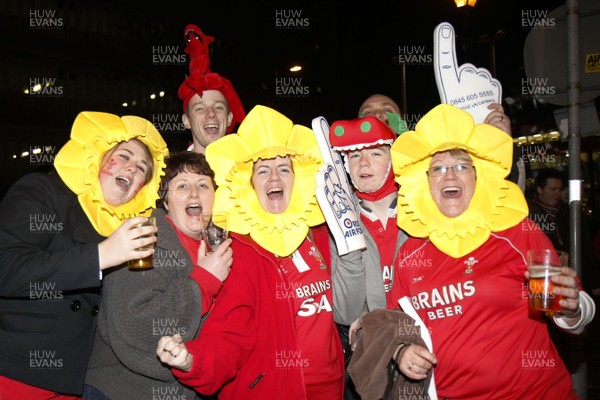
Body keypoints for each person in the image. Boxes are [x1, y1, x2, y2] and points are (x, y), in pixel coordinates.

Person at [155, 105, 365, 399]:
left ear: (297, 178)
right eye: (263, 170)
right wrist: (193, 361)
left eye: (283, 169)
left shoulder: (318, 234)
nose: (274, 179)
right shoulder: (238, 249)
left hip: (331, 389)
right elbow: (229, 334)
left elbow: (344, 307)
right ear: (250, 183)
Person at [387, 103, 595, 399]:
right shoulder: (409, 253)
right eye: (438, 168)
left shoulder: (515, 233)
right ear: (425, 182)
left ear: (478, 176)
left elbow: (572, 311)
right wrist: (402, 349)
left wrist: (571, 310)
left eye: (461, 166)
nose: (449, 176)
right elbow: (397, 323)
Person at [0, 111, 168, 399]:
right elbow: (6, 268)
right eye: (124, 155)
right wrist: (100, 256)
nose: (132, 168)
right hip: (17, 372)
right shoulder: (45, 190)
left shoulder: (129, 226)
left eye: (142, 168)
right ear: (100, 156)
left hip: (81, 380)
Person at [83, 151, 232, 399]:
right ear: (165, 201)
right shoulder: (142, 239)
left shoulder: (224, 248)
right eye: (182, 186)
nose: (194, 194)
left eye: (203, 185)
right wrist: (204, 282)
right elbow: (137, 324)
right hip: (122, 390)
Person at [178, 24, 246, 153]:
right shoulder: (170, 172)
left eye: (219, 107)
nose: (211, 114)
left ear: (229, 118)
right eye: (200, 108)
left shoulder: (248, 170)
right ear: (186, 121)